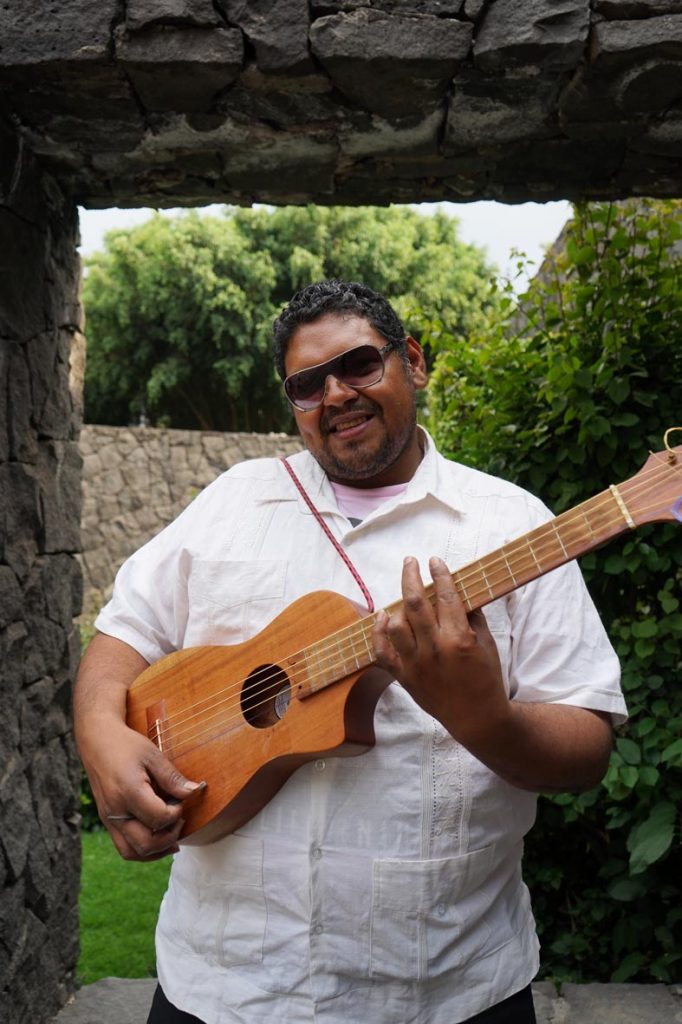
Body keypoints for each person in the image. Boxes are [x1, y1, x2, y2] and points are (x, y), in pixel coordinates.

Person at [75, 280, 627, 1024]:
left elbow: (588, 747)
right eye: (307, 385)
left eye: (360, 365)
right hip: (220, 986)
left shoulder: (512, 523)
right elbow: (123, 634)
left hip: (447, 992)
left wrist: (484, 718)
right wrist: (101, 734)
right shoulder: (236, 500)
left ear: (414, 363)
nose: (335, 394)